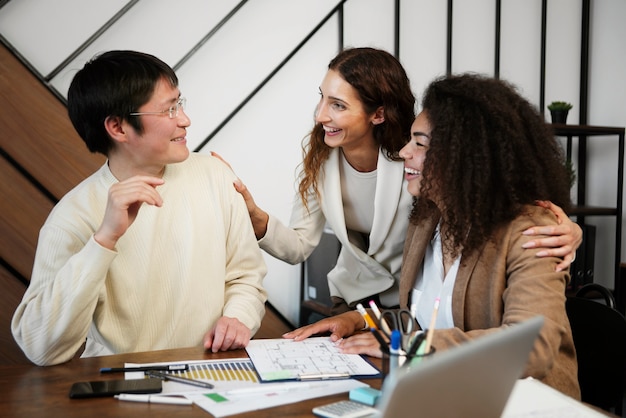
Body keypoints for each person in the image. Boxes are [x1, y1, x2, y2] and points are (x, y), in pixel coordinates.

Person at [216, 47, 581, 315]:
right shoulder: (320, 159)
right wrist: (255, 216)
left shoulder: (420, 159)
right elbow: (297, 246)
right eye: (322, 99)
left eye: (338, 105)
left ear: (377, 114)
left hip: (410, 303)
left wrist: (569, 230)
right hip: (354, 302)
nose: (320, 115)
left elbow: (487, 199)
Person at [284, 73, 580, 398]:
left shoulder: (534, 233)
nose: (403, 152)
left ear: (466, 157)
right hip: (452, 395)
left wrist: (410, 346)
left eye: (420, 144)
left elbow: (533, 347)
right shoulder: (427, 220)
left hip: (525, 404)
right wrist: (360, 321)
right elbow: (426, 318)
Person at [11, 50, 267, 366]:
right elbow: (41, 347)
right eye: (169, 110)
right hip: (121, 387)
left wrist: (238, 317)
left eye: (180, 103)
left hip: (212, 374)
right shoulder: (73, 216)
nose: (185, 119)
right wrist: (103, 240)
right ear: (118, 128)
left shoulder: (216, 176)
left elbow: (246, 277)